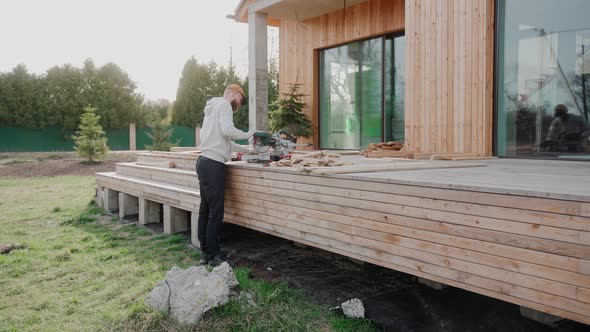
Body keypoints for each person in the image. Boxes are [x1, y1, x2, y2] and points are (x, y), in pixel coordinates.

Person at [197, 84, 255, 267]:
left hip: (204, 161)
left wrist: (248, 150)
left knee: (205, 210)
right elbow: (228, 131)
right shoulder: (224, 105)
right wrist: (249, 134)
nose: (238, 105)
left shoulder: (212, 108)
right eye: (239, 100)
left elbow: (225, 140)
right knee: (216, 212)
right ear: (234, 94)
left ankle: (205, 252)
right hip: (214, 165)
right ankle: (214, 255)